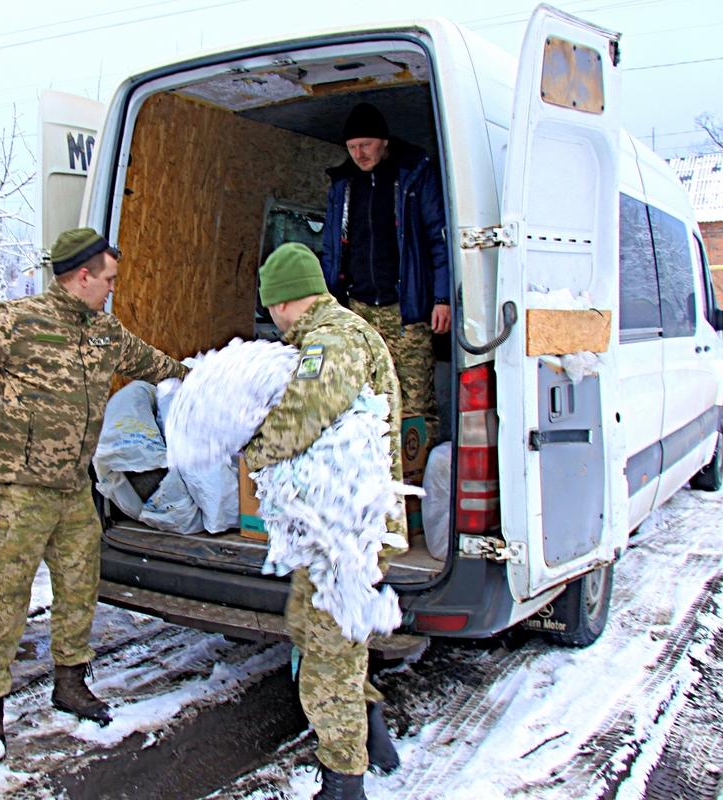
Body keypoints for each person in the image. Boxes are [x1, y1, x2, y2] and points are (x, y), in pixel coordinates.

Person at [0, 228, 187, 763]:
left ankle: (70, 683)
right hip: (18, 489)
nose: (111, 289)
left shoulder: (106, 332)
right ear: (82, 276)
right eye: (107, 279)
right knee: (5, 600)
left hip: (73, 489)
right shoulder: (17, 322)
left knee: (80, 587)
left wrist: (214, 378)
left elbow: (159, 366)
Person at [243, 242, 405, 800]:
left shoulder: (333, 340)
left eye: (274, 308)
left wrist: (255, 449)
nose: (276, 321)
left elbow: (306, 412)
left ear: (285, 301)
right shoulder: (336, 333)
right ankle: (372, 736)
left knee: (327, 661)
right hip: (332, 527)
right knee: (311, 631)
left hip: (348, 537)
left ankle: (344, 781)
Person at [320, 101, 451, 451]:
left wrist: (442, 299)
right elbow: (331, 252)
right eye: (352, 147)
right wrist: (327, 307)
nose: (359, 154)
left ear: (384, 141)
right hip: (358, 311)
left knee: (415, 400)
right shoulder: (343, 186)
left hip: (406, 311)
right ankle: (374, 475)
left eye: (366, 145)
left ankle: (415, 479)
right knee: (363, 396)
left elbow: (440, 240)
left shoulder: (414, 174)